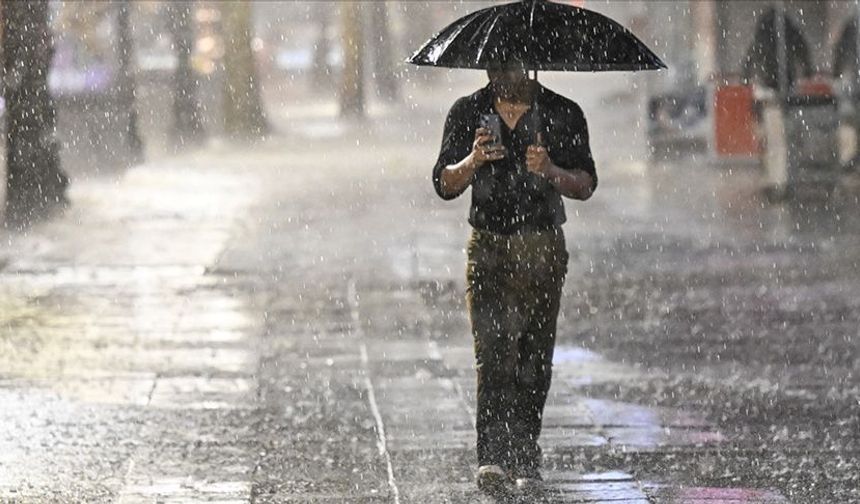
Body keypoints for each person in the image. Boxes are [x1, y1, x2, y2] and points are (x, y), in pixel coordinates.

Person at [432, 63, 596, 497]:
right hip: (488, 245)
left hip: (542, 246)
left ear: (532, 64)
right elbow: (443, 184)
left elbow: (585, 184)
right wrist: (473, 159)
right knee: (492, 354)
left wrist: (550, 171)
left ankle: (525, 456)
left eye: (515, 63)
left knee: (534, 358)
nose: (506, 72)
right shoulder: (467, 111)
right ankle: (492, 457)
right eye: (499, 64)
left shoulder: (563, 113)